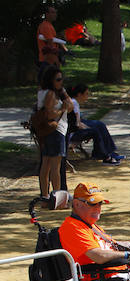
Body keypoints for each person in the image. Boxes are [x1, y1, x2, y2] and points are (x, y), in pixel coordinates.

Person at [36, 66, 73, 201]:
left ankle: (45, 197)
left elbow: (71, 106)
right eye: (58, 80)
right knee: (55, 168)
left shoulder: (43, 91)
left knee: (45, 164)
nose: (60, 82)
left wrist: (63, 92)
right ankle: (57, 199)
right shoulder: (51, 94)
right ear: (51, 80)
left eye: (61, 79)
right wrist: (62, 109)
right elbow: (49, 113)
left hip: (47, 132)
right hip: (56, 131)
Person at [67, 83, 124, 165]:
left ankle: (109, 151)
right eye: (86, 94)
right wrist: (88, 129)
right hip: (73, 132)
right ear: (79, 94)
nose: (87, 96)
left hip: (77, 126)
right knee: (96, 129)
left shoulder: (75, 102)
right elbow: (77, 124)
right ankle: (105, 155)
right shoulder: (74, 103)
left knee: (99, 124)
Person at [36, 6, 66, 72]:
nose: (55, 14)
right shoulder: (46, 26)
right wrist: (57, 60)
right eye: (52, 12)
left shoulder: (49, 25)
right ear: (46, 14)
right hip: (48, 59)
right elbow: (50, 45)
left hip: (49, 59)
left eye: (55, 12)